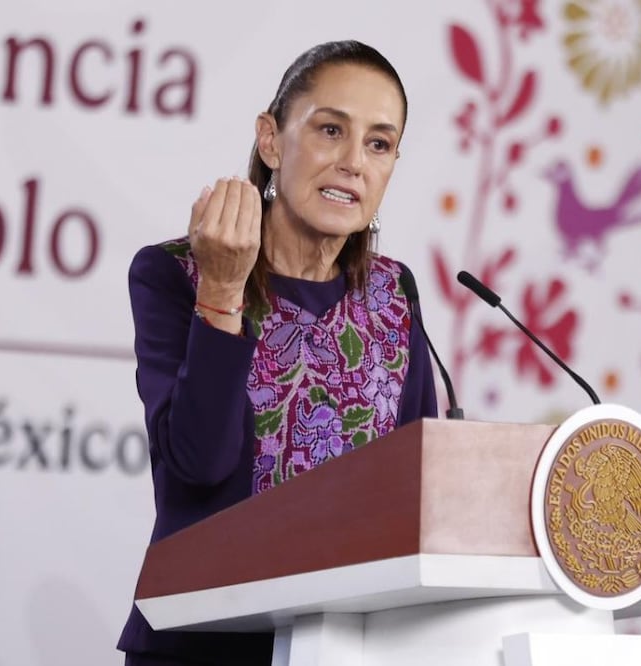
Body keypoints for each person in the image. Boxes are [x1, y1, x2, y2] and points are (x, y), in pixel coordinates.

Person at [117, 40, 438, 666]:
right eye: (329, 130)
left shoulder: (393, 290)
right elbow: (197, 471)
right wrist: (222, 288)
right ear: (271, 141)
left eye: (378, 144)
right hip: (204, 643)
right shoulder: (173, 273)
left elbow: (419, 484)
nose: (353, 163)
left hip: (351, 644)